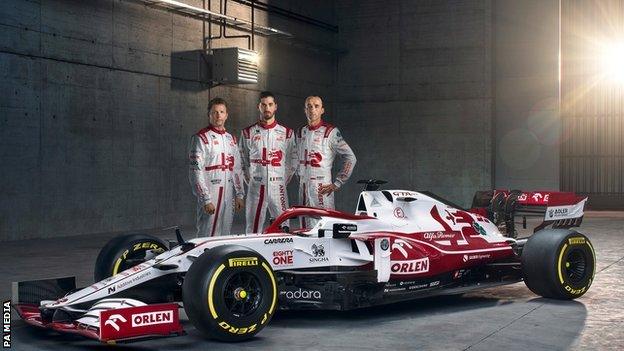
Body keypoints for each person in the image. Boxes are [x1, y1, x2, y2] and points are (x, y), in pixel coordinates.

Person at [239, 91, 297, 233]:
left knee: (283, 227)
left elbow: (293, 159)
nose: (267, 108)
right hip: (256, 187)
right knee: (252, 229)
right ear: (258, 106)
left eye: (270, 104)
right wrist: (250, 179)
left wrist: (282, 179)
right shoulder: (248, 132)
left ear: (275, 107)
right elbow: (241, 159)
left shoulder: (287, 133)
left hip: (278, 187)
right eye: (264, 105)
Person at [189, 97, 245, 237]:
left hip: (228, 194)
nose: (218, 115)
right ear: (209, 115)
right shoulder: (201, 138)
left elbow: (236, 168)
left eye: (221, 112)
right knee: (206, 235)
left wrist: (239, 194)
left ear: (226, 115)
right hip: (211, 193)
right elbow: (196, 172)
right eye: (215, 112)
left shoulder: (231, 139)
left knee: (225, 235)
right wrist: (205, 199)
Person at [296, 95, 356, 221]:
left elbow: (350, 157)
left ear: (322, 110)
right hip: (303, 188)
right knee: (303, 229)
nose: (312, 109)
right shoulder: (301, 131)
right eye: (309, 106)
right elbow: (295, 157)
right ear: (305, 110)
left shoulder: (331, 132)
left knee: (324, 228)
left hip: (322, 188)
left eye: (316, 106)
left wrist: (337, 183)